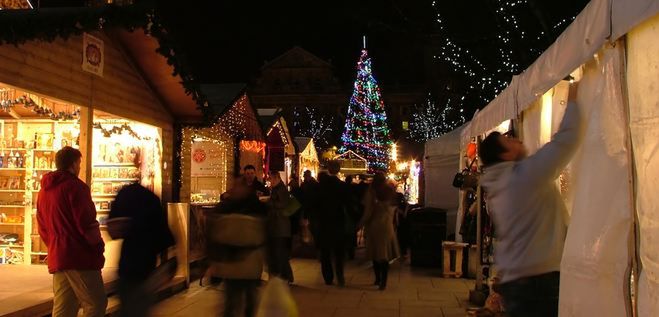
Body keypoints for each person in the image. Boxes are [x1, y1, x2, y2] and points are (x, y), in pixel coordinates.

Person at [478, 83, 584, 317]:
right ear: (505, 154)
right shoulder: (522, 177)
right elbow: (565, 142)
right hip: (538, 280)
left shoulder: (499, 184)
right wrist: (574, 99)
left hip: (520, 278)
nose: (518, 141)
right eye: (510, 142)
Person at [36, 147, 107, 317]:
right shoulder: (76, 188)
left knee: (64, 306)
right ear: (74, 164)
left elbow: (41, 225)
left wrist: (54, 244)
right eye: (80, 163)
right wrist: (98, 246)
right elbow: (86, 222)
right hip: (79, 255)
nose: (80, 167)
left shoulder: (44, 191)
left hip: (58, 255)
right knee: (95, 303)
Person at [107, 154, 176, 317]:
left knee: (129, 307)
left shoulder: (124, 195)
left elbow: (113, 230)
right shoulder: (151, 199)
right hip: (146, 267)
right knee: (139, 308)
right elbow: (164, 237)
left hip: (127, 265)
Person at [207, 177, 267, 317]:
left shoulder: (252, 206)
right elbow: (214, 236)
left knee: (245, 299)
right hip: (234, 265)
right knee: (233, 300)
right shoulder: (253, 207)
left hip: (244, 263)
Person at [359, 172, 400, 290]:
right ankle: (384, 281)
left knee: (375, 254)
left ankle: (377, 279)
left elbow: (368, 212)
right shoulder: (390, 191)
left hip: (374, 226)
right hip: (387, 226)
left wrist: (360, 224)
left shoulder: (371, 192)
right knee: (384, 254)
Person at [316, 161, 350, 286]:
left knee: (325, 251)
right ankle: (340, 274)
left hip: (324, 221)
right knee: (339, 251)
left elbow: (316, 204)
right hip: (338, 221)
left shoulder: (321, 186)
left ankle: (328, 277)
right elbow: (348, 204)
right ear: (339, 169)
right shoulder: (342, 186)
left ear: (328, 169)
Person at [266, 170, 294, 283]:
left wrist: (268, 202)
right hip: (278, 226)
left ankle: (285, 276)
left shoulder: (281, 189)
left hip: (280, 226)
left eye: (271, 178)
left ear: (277, 178)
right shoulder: (277, 189)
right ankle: (284, 275)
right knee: (279, 252)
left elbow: (284, 205)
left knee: (280, 252)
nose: (269, 181)